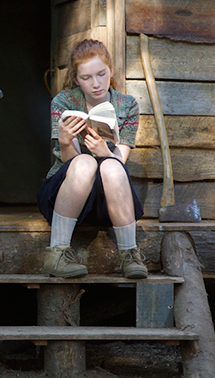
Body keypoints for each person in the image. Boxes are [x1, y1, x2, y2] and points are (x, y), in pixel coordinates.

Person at [37, 39, 147, 279]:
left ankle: (129, 254)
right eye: (86, 78)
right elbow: (70, 164)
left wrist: (104, 153)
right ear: (76, 79)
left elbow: (121, 158)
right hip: (65, 196)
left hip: (108, 199)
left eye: (101, 74)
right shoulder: (64, 102)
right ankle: (57, 253)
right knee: (85, 163)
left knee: (110, 165)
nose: (96, 84)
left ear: (111, 71)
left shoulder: (127, 105)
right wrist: (66, 141)